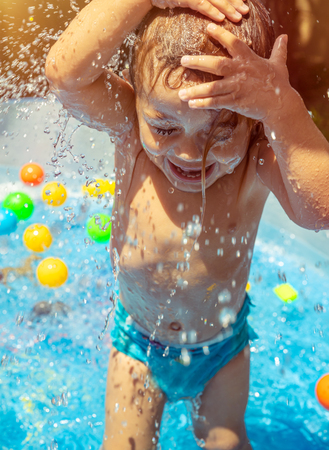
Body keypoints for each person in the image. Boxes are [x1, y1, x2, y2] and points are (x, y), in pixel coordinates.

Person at [45, 0, 329, 448]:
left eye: (219, 134)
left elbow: (320, 211)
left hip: (221, 350)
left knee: (227, 442)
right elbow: (65, 75)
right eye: (164, 127)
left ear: (253, 124)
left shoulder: (255, 157)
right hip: (139, 344)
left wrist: (284, 111)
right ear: (135, 98)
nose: (187, 154)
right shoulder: (127, 132)